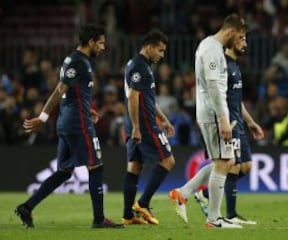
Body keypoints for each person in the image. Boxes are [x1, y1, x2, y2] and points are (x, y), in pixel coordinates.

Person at [15, 24, 123, 229]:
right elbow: (59, 89)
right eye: (100, 43)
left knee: (64, 171)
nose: (103, 47)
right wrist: (43, 117)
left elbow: (70, 92)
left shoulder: (75, 60)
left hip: (69, 119)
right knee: (96, 166)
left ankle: (27, 207)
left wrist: (87, 108)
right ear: (90, 42)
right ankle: (99, 219)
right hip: (77, 123)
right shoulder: (78, 61)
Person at [169, 14, 253, 228]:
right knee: (225, 162)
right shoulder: (213, 50)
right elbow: (215, 88)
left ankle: (184, 193)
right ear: (231, 31)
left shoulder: (207, 45)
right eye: (240, 36)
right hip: (214, 114)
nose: (242, 41)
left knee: (225, 161)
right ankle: (213, 219)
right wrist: (224, 118)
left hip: (212, 113)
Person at [122, 29, 175, 225]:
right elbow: (133, 97)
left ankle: (128, 215)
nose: (162, 55)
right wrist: (137, 127)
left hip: (135, 123)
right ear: (149, 47)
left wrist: (164, 119)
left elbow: (148, 99)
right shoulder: (140, 68)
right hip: (143, 125)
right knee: (168, 161)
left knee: (135, 166)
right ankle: (143, 203)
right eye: (160, 50)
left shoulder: (136, 64)